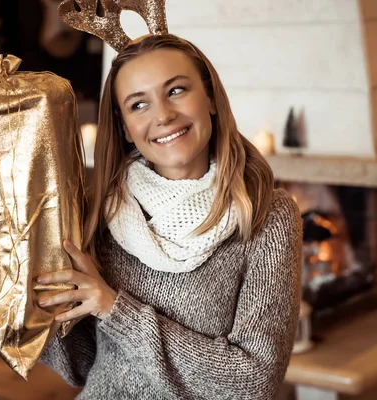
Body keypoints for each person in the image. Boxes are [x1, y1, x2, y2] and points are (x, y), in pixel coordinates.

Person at [36, 33, 302, 399]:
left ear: (209, 97)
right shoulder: (103, 211)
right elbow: (80, 365)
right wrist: (39, 305)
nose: (162, 115)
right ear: (124, 126)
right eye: (138, 105)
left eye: (176, 90)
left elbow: (252, 383)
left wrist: (115, 309)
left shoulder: (267, 215)